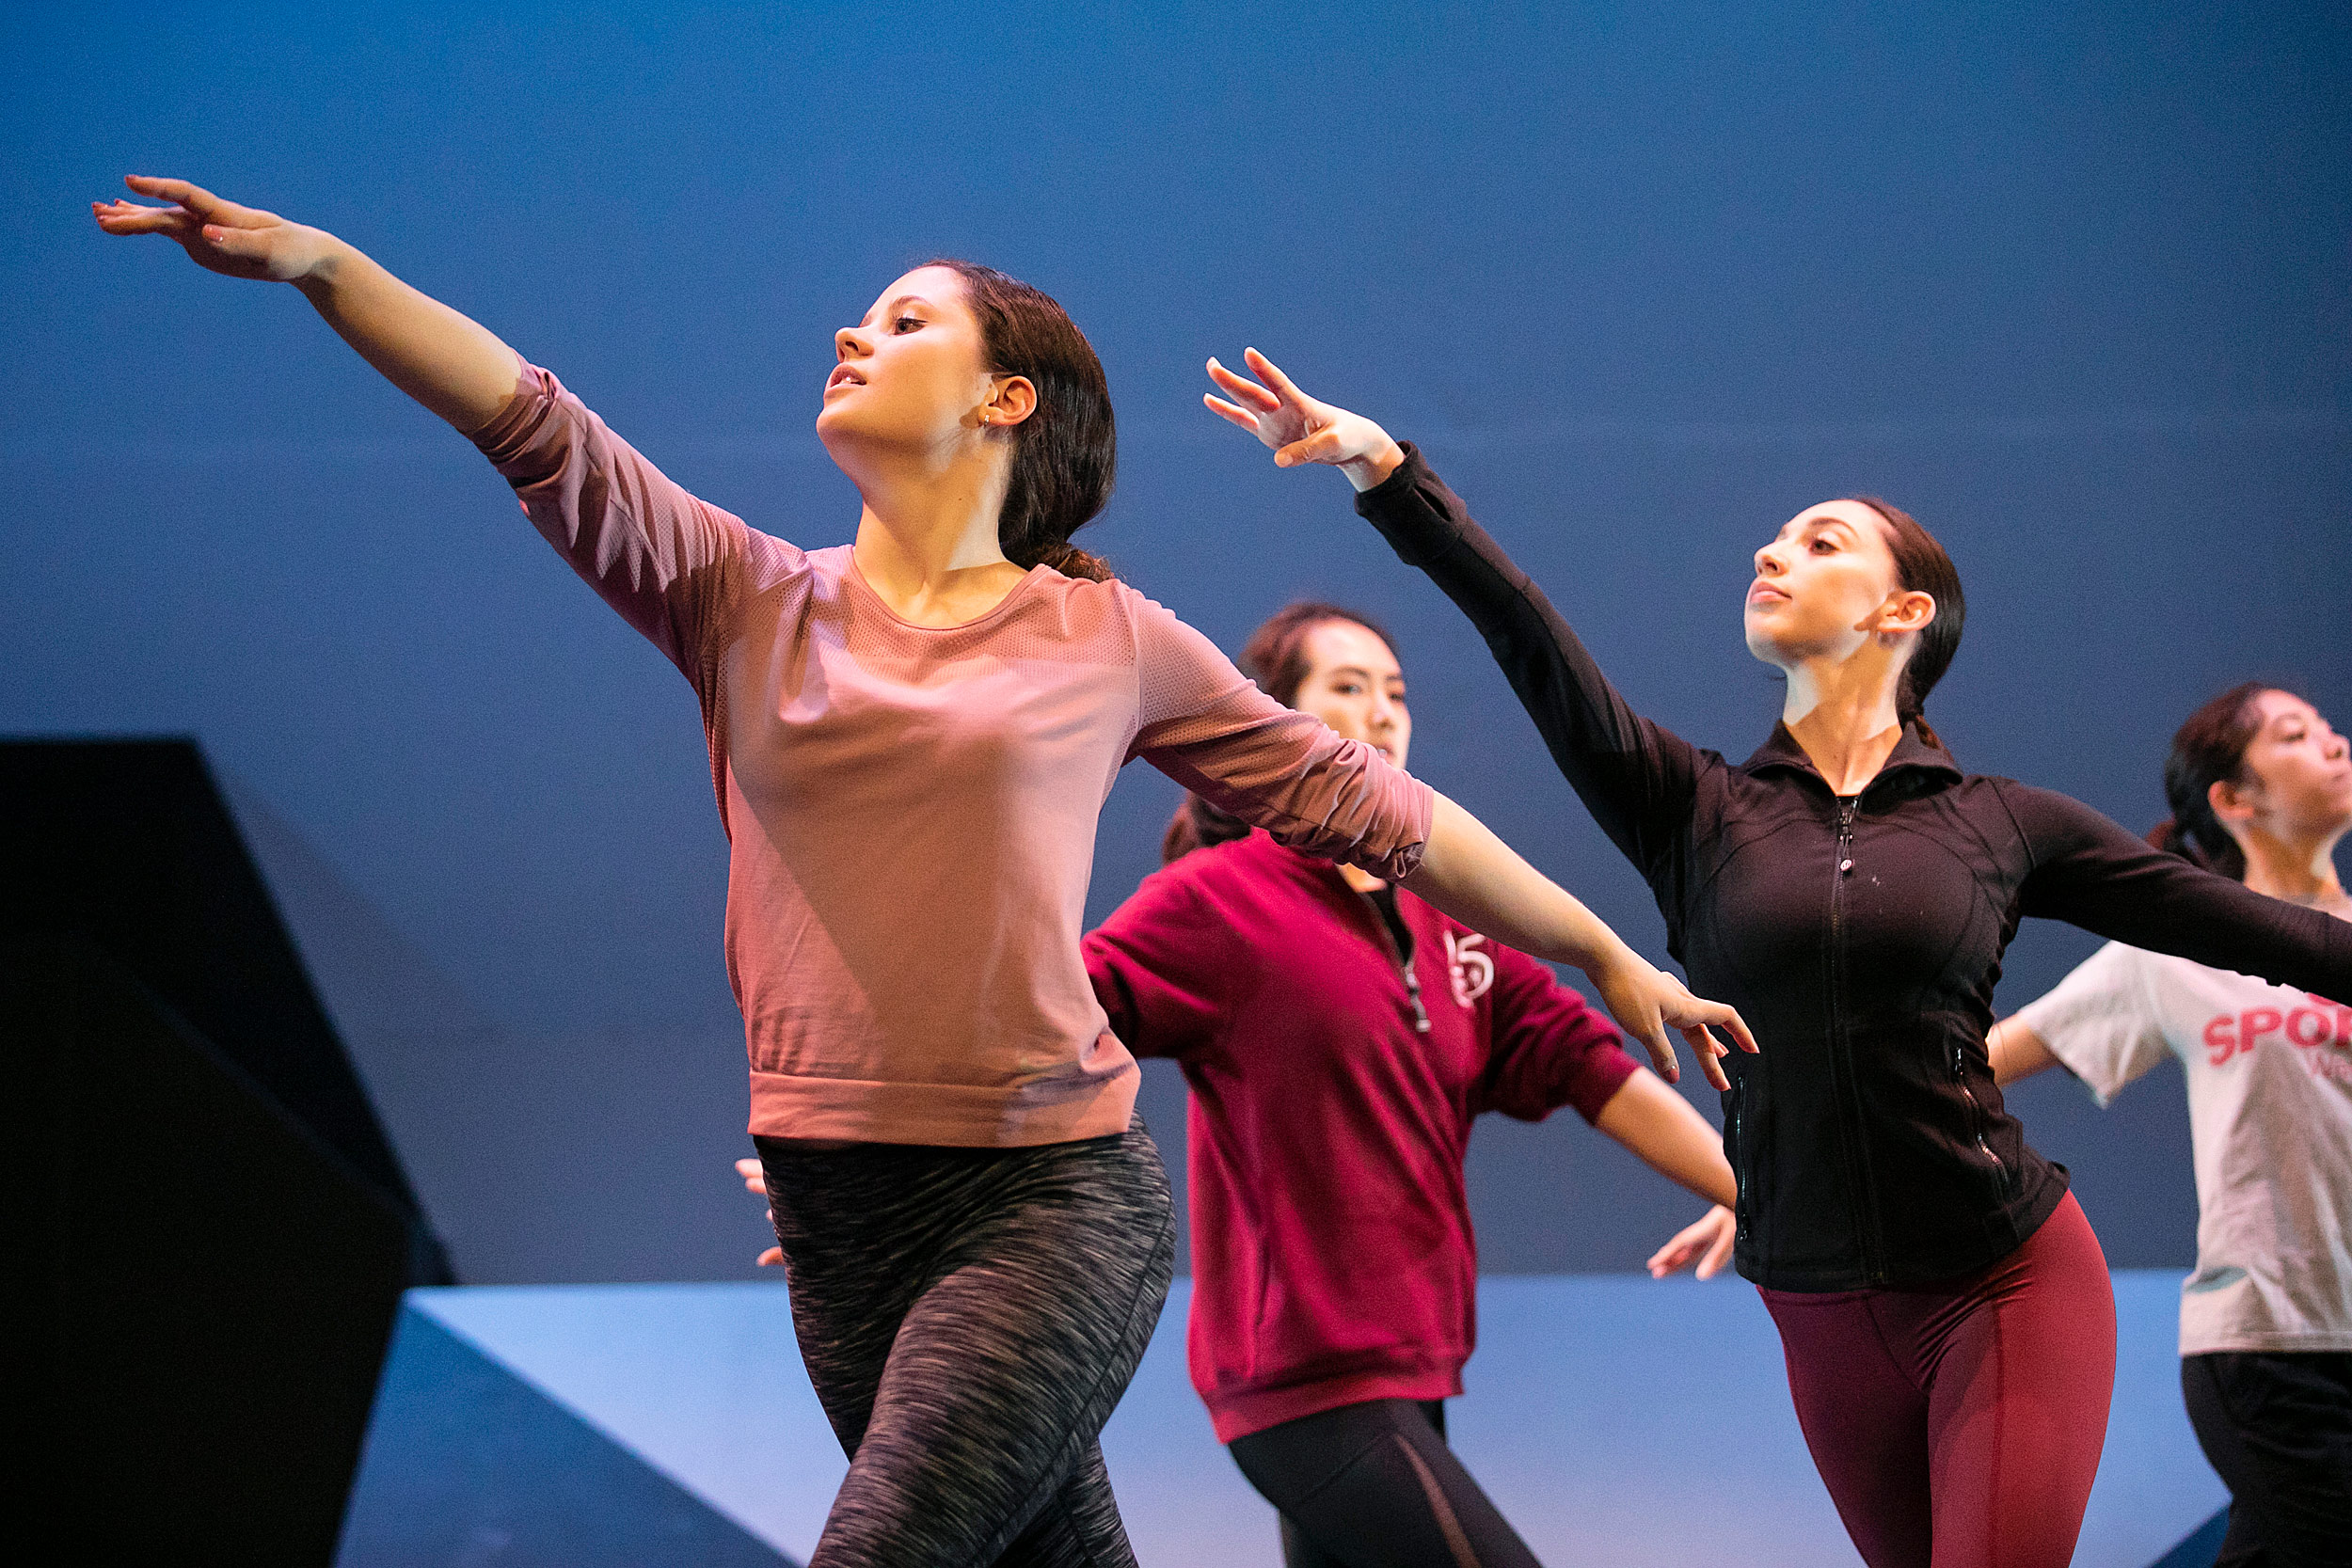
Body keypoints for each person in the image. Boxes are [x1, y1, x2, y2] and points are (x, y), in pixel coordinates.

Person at [96, 178, 1755, 1568]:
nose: (849, 335)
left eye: (900, 322)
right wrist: (320, 266)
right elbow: (530, 419)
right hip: (840, 1218)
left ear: (1004, 396)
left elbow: (1374, 809)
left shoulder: (1111, 638)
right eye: (856, 318)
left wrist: (1608, 950)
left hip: (1046, 1202)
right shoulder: (741, 595)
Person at [1196, 347, 2352, 1568]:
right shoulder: (1692, 807)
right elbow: (1530, 643)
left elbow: (2278, 935)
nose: (1772, 554)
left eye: (1820, 542)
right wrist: (1386, 472)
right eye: (1774, 540)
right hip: (1814, 1303)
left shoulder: (2008, 822)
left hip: (2000, 1281)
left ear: (1903, 612)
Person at [749, 599, 1738, 1567]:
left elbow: (1594, 1069)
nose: (1385, 710)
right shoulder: (1216, 904)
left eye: (1395, 689)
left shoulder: (1458, 925)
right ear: (1283, 719)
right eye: (1348, 686)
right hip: (1303, 1384)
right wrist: (874, 1166)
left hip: (1417, 1364)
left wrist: (1757, 1195)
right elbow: (1031, 1023)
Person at [1986, 684, 2352, 1567]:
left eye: (2330, 727)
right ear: (2235, 799)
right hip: (2269, 1346)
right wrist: (1800, 1146)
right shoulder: (2179, 953)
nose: (2337, 743)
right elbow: (1980, 1057)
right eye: (2297, 735)